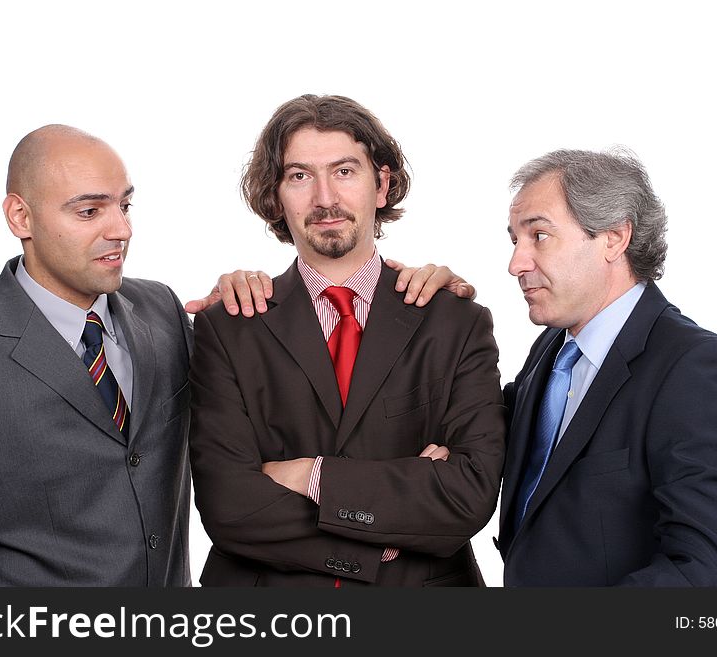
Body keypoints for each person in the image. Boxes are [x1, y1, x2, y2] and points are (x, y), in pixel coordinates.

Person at [188, 94, 506, 586]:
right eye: (299, 176)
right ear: (275, 196)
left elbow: (470, 491)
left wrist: (312, 476)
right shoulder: (227, 327)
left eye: (344, 171)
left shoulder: (455, 322)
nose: (324, 198)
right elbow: (229, 505)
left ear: (381, 185)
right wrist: (387, 533)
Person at [0, 125, 196, 585]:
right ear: (21, 217)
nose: (122, 229)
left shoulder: (164, 311)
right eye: (89, 210)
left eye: (125, 205)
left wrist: (251, 305)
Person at [497, 148, 717, 586]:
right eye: (514, 240)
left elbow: (702, 572)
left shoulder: (697, 370)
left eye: (539, 236)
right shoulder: (551, 350)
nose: (516, 264)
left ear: (614, 237)